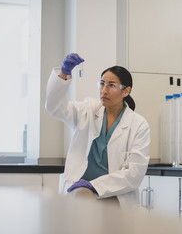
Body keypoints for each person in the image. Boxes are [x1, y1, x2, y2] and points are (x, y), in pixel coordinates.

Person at [45, 53, 150, 209]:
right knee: (80, 205)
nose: (104, 90)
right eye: (102, 84)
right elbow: (54, 107)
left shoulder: (138, 124)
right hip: (79, 191)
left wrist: (93, 186)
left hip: (115, 195)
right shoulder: (87, 110)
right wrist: (64, 73)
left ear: (126, 91)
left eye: (111, 85)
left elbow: (134, 173)